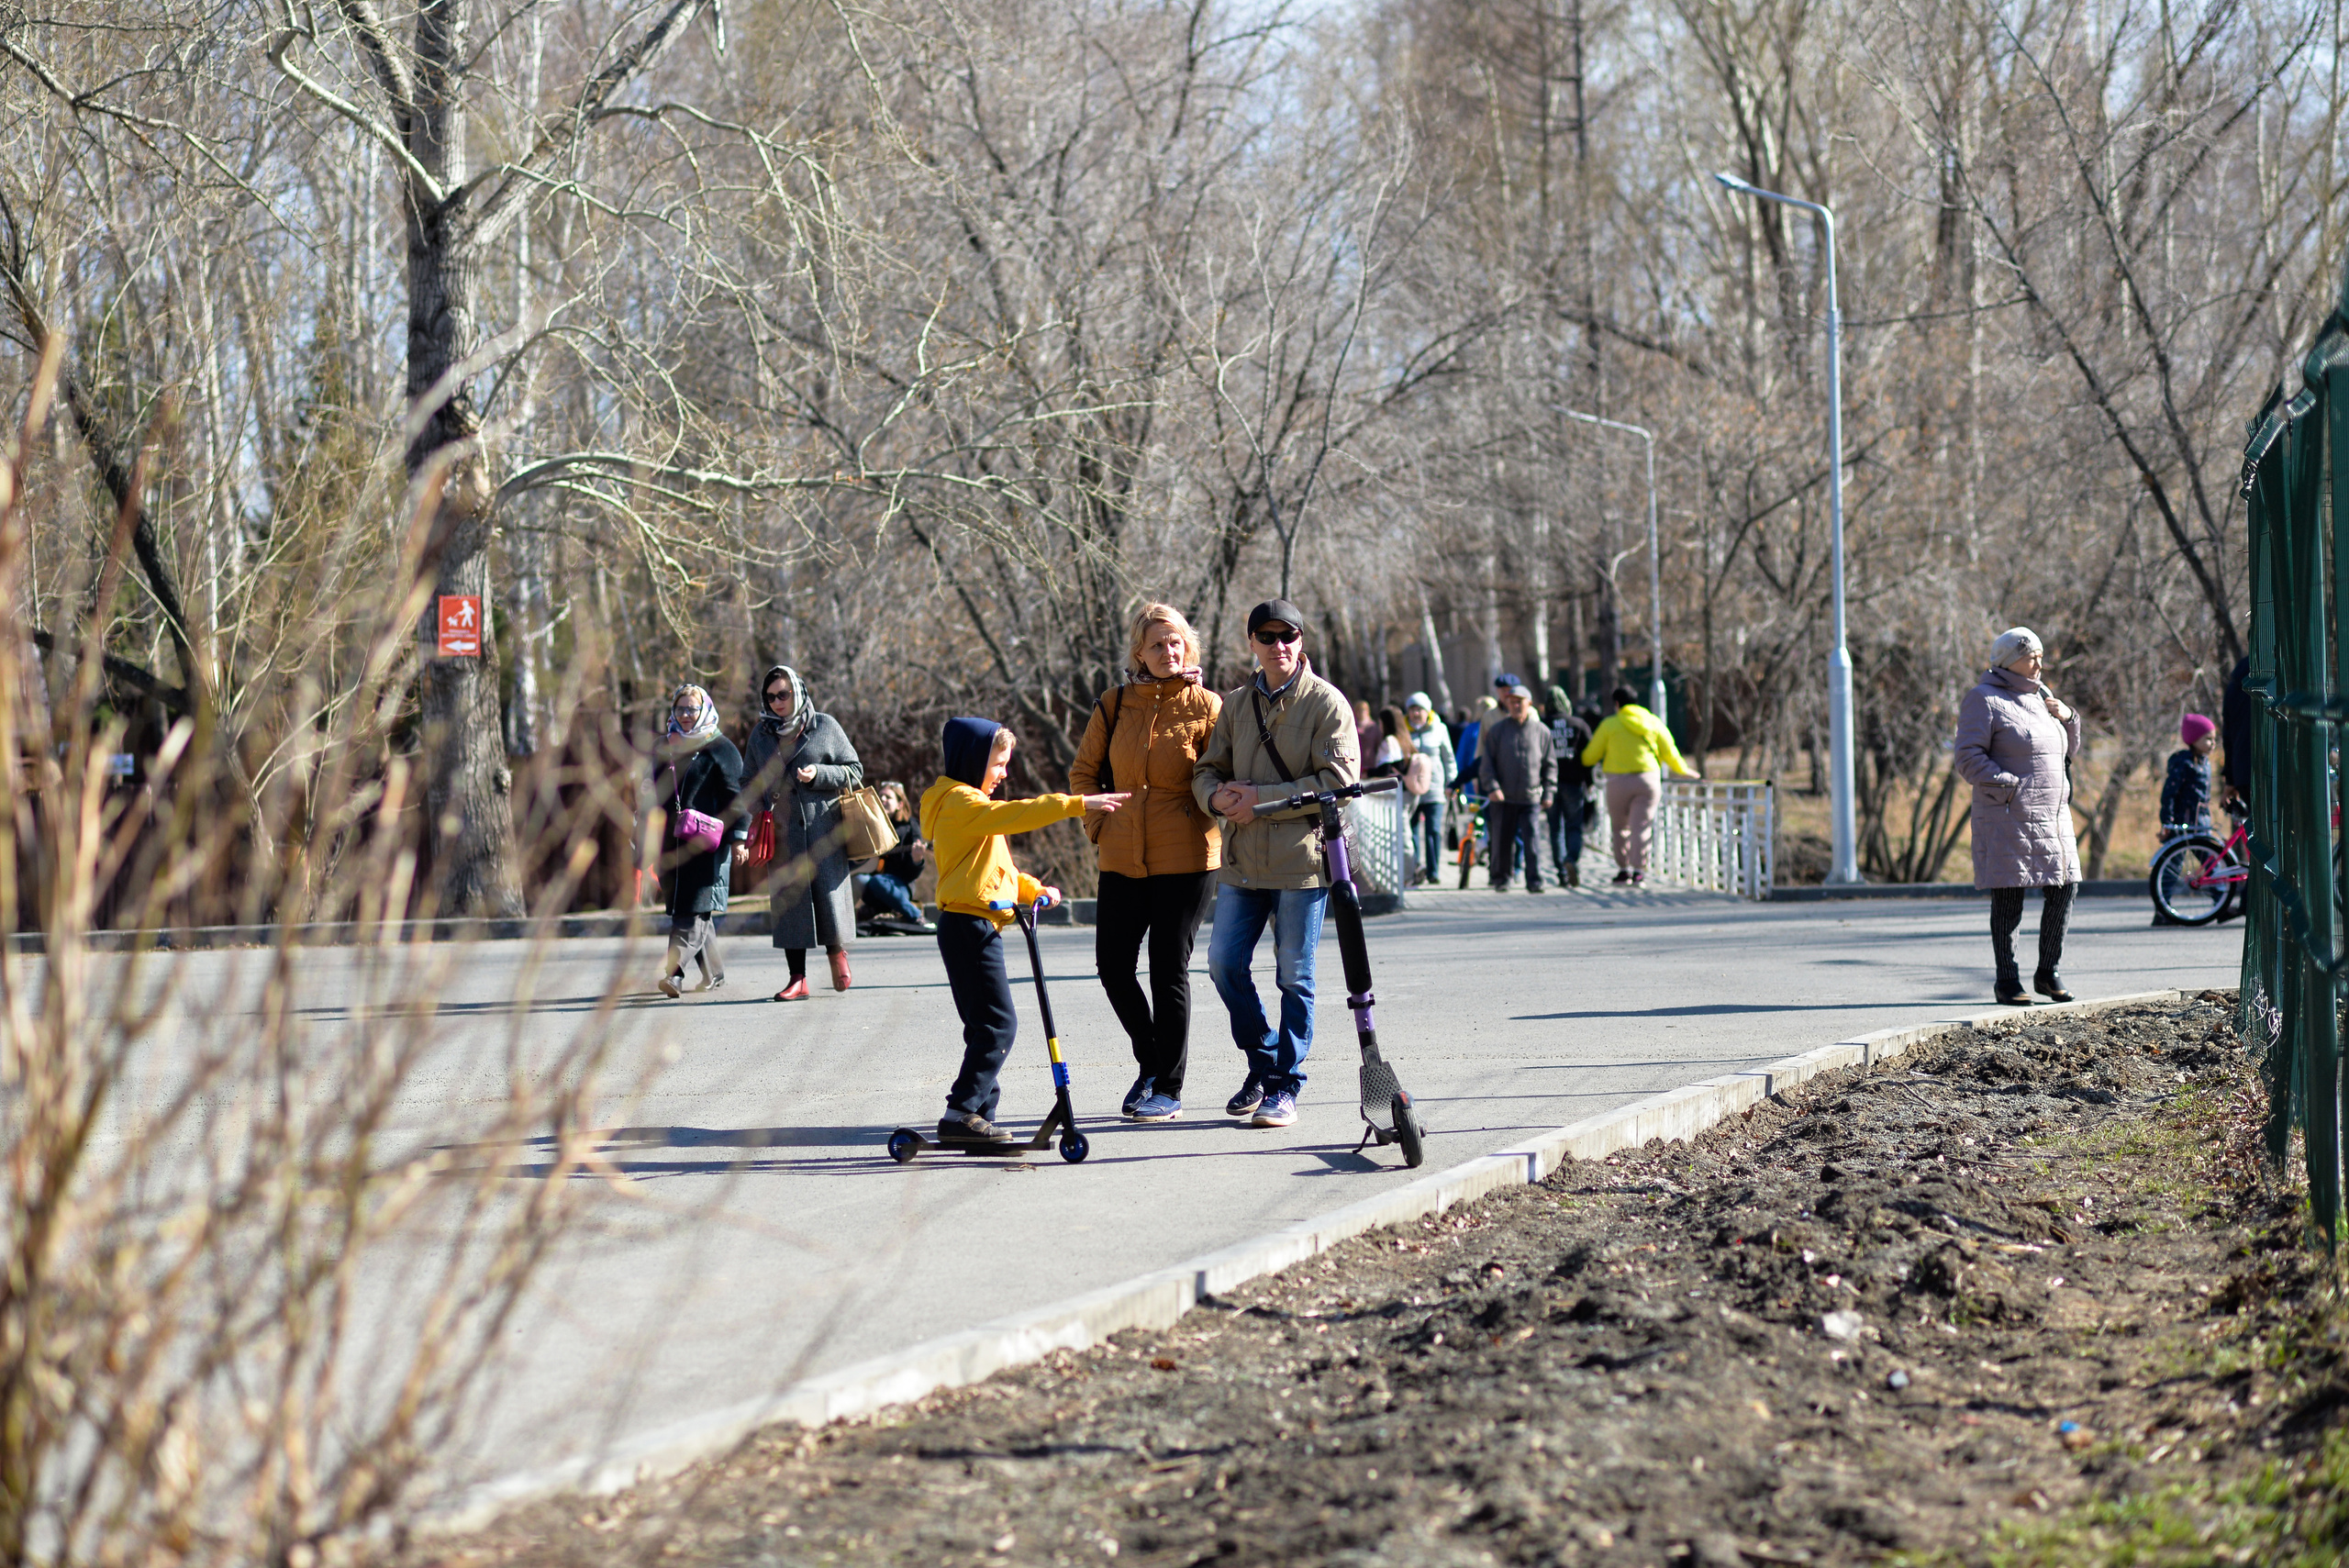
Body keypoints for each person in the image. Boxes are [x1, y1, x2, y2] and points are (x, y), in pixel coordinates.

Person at [1192, 599, 1360, 1129]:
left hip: (1300, 865)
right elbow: (1206, 772)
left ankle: (1287, 1085)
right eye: (1267, 636)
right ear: (1252, 644)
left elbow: (1340, 785)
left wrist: (1259, 797)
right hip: (1241, 862)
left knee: (1295, 976)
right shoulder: (1236, 705)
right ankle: (1264, 1065)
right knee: (1222, 964)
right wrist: (1216, 800)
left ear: (1301, 641)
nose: (1278, 645)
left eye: (1288, 635)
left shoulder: (1328, 704)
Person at [921, 718, 1128, 1146]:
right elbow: (1017, 814)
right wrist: (1076, 804)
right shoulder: (960, 802)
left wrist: (1034, 889)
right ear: (973, 760)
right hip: (968, 927)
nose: (1003, 773)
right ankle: (959, 1113)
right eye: (998, 764)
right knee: (999, 1025)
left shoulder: (970, 806)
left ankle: (979, 1114)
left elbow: (999, 871)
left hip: (975, 923)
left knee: (984, 1026)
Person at [1070, 603, 1223, 1124]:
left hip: (1188, 857)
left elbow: (1221, 773)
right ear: (1139, 650)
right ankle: (1151, 1063)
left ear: (1189, 646)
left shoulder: (1207, 706)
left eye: (1176, 641)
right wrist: (1098, 825)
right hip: (1121, 856)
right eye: (1157, 644)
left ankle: (1169, 1088)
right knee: (1112, 966)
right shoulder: (1113, 706)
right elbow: (1084, 773)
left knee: (1167, 969)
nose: (1168, 651)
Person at [1953, 627, 2083, 1006]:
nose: (2039, 663)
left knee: (2065, 886)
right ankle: (2007, 980)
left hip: (2053, 816)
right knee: (2010, 895)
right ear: (2009, 661)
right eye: (2031, 656)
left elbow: (2066, 753)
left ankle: (2048, 972)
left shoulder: (2043, 697)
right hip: (2010, 813)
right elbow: (1967, 757)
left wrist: (2069, 716)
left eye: (2041, 655)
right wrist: (2011, 786)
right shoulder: (1984, 699)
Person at [744, 665, 863, 999]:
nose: (778, 702)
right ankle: (797, 979)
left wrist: (820, 774)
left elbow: (854, 769)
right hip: (782, 835)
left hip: (824, 827)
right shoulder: (761, 735)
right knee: (791, 906)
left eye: (784, 694)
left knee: (827, 897)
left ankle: (836, 953)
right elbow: (746, 782)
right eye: (771, 697)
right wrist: (760, 812)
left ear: (798, 692)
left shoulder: (824, 725)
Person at [651, 684, 749, 997]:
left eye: (692, 709)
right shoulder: (664, 746)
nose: (686, 715)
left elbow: (738, 799)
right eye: (680, 709)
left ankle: (673, 974)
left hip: (707, 844)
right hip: (670, 843)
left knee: (690, 910)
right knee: (690, 908)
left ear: (704, 709)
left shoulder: (720, 748)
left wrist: (738, 840)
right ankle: (714, 972)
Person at [1581, 684, 1698, 884]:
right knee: (1641, 827)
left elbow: (1590, 756)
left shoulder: (1610, 724)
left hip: (1617, 782)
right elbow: (1669, 750)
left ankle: (1623, 869)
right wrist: (1684, 770)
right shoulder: (1653, 722)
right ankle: (1639, 871)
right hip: (1648, 780)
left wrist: (1581, 761)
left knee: (1620, 827)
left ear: (1617, 703)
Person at [1478, 684, 1556, 893]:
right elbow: (1487, 765)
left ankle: (1534, 880)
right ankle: (1502, 879)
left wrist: (1548, 792)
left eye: (1519, 701)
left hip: (1530, 797)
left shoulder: (1541, 732)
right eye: (1511, 702)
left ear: (1529, 703)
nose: (1515, 705)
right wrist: (1492, 787)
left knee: (1532, 842)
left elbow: (1550, 765)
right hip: (1503, 799)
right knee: (1502, 842)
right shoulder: (1497, 731)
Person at [858, 781, 934, 935]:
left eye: (888, 797)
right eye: (881, 796)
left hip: (899, 886)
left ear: (900, 804)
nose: (883, 799)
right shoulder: (872, 826)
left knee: (878, 881)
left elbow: (911, 875)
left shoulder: (910, 826)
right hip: (872, 886)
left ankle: (916, 917)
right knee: (859, 879)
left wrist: (916, 860)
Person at [1402, 693, 1456, 885]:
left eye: (1420, 709)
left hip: (1435, 788)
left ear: (1428, 711)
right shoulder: (1403, 730)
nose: (1416, 713)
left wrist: (1452, 782)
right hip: (1411, 789)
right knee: (1412, 831)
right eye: (1412, 709)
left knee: (1434, 831)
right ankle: (1416, 869)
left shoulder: (1439, 729)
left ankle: (1433, 872)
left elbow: (1448, 757)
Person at [1547, 686, 1595, 887]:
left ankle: (1560, 872)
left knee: (1554, 829)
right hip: (1574, 784)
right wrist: (1590, 782)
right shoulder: (1578, 725)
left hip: (1549, 784)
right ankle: (1571, 860)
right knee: (1574, 826)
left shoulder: (1541, 725)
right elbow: (1589, 757)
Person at [2161, 716, 2218, 840]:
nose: (2213, 743)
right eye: (2208, 739)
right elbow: (2169, 793)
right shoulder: (2184, 763)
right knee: (2175, 856)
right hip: (2183, 821)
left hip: (2202, 820)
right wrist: (2167, 821)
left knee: (2210, 855)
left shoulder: (2205, 762)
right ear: (2194, 739)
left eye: (2214, 739)